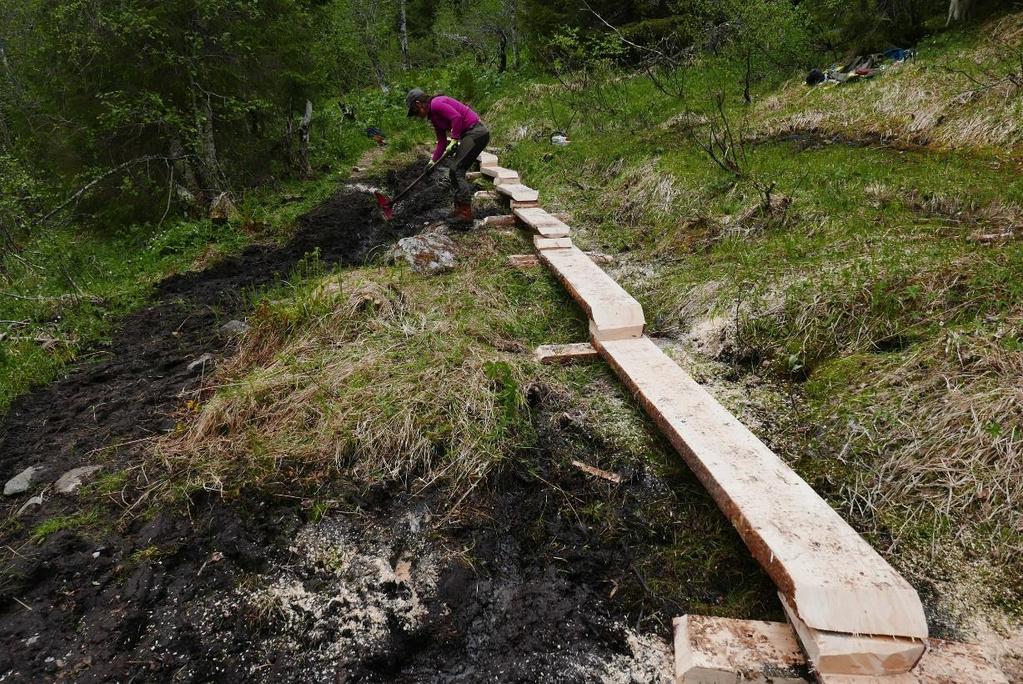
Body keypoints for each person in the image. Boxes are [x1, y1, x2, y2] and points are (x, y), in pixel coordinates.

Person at [406, 88, 491, 224]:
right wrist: (432, 162)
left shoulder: (436, 104)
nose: (417, 116)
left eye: (415, 112)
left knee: (457, 169)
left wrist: (455, 139)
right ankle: (459, 208)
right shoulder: (434, 117)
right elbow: (441, 142)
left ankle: (465, 213)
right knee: (454, 171)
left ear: (418, 104)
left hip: (476, 132)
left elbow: (456, 117)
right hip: (470, 134)